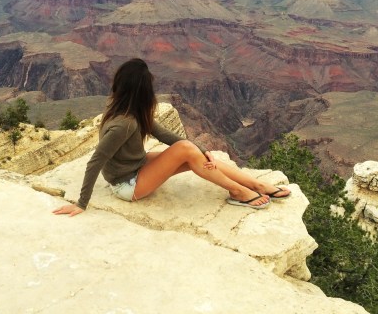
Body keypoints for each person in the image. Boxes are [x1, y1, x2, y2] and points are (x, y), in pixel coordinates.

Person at [53, 58, 290, 217]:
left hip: (137, 167)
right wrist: (81, 204)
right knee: (187, 150)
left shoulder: (133, 110)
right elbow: (96, 161)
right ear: (143, 90)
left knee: (191, 153)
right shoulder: (124, 123)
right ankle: (237, 191)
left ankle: (255, 184)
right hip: (126, 185)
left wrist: (201, 150)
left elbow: (165, 135)